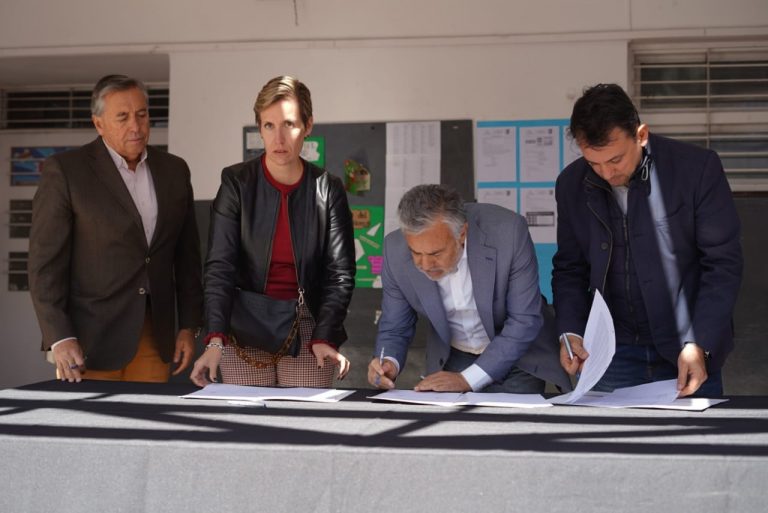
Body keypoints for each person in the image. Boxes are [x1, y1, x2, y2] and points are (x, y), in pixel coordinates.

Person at [552, 83, 743, 397]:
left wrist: (700, 342)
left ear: (641, 135)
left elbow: (722, 266)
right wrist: (570, 331)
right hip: (612, 352)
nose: (606, 173)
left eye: (615, 160)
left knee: (694, 429)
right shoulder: (571, 184)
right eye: (594, 163)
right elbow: (570, 268)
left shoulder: (696, 170)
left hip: (687, 348)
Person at [29, 74, 204, 383]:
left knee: (148, 413)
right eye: (122, 117)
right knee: (93, 415)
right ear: (98, 124)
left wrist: (189, 326)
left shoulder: (174, 170)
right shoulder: (67, 171)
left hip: (154, 334)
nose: (136, 126)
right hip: (87, 339)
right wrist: (59, 336)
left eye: (142, 114)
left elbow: (187, 257)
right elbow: (45, 265)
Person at [190, 75, 355, 387]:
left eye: (289, 124)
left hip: (307, 324)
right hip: (244, 322)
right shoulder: (236, 183)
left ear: (308, 126)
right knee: (244, 415)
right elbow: (220, 267)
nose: (279, 138)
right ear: (260, 128)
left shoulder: (327, 188)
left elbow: (340, 273)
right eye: (269, 125)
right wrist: (215, 338)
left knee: (303, 416)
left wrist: (325, 335)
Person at [368, 184, 570, 393]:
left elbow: (524, 319)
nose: (425, 265)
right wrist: (388, 361)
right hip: (452, 354)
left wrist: (468, 379)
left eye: (436, 253)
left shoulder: (508, 232)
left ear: (462, 233)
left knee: (510, 414)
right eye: (416, 253)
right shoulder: (394, 250)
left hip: (517, 356)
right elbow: (395, 325)